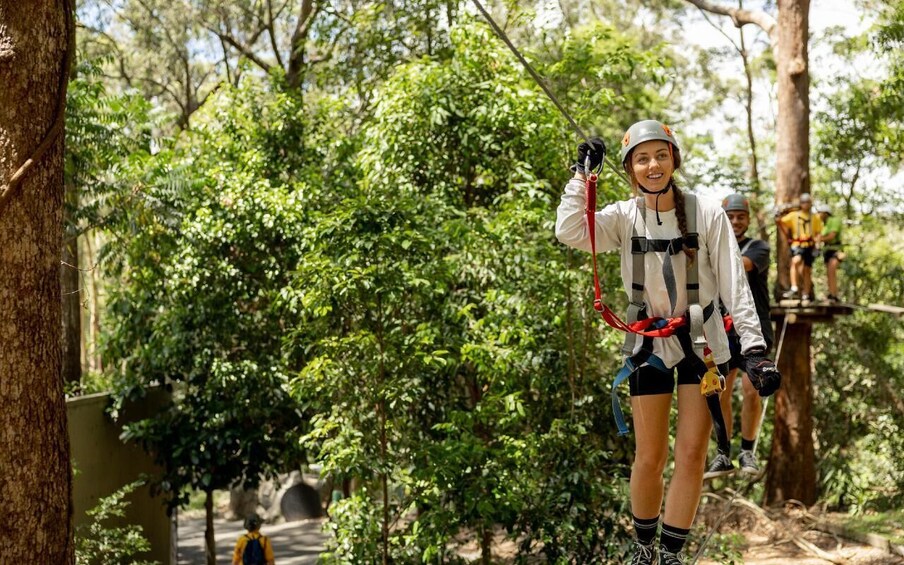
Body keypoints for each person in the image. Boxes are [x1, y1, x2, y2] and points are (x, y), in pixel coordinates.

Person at [555, 120, 781, 565]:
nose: (652, 165)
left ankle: (671, 553)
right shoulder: (624, 216)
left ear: (673, 160)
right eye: (642, 159)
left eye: (661, 155)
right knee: (649, 455)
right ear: (631, 169)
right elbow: (570, 230)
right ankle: (644, 549)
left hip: (703, 344)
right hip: (650, 343)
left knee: (692, 453)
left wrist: (754, 350)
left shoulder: (706, 213)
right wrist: (581, 177)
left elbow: (735, 283)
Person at [704, 194, 774, 479]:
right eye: (730, 217)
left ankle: (747, 451)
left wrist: (709, 250)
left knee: (751, 387)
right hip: (722, 328)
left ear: (748, 220)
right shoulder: (713, 246)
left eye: (740, 217)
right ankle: (724, 453)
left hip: (753, 329)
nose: (735, 221)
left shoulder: (757, 248)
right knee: (720, 389)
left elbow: (739, 265)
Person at [777, 193, 822, 303]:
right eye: (803, 202)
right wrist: (779, 212)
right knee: (796, 261)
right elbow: (780, 221)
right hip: (797, 244)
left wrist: (817, 246)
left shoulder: (815, 218)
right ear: (800, 204)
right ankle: (794, 287)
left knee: (807, 270)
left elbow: (818, 233)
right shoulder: (793, 215)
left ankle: (806, 293)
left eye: (808, 202)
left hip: (810, 246)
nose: (806, 204)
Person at [818, 204, 843, 303]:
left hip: (835, 249)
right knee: (829, 273)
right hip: (827, 250)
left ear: (825, 213)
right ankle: (831, 294)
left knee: (832, 271)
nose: (819, 215)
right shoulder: (824, 224)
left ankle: (834, 295)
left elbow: (832, 236)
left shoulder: (834, 221)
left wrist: (819, 239)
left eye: (820, 213)